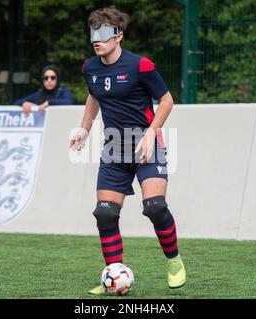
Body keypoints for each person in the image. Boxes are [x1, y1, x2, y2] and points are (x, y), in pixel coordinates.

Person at [69, 7, 186, 295]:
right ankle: (113, 275)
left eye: (104, 33)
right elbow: (94, 96)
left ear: (118, 36)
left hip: (146, 147)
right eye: (93, 33)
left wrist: (151, 132)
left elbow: (167, 100)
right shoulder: (89, 67)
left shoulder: (140, 65)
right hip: (113, 151)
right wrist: (84, 128)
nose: (97, 39)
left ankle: (174, 263)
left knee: (155, 207)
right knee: (105, 214)